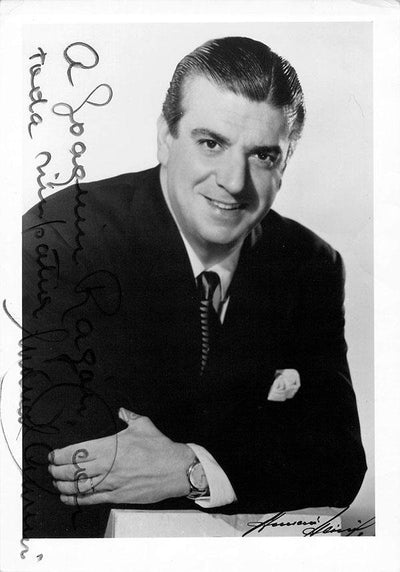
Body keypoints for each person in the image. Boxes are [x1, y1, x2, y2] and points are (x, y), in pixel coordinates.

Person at [22, 36, 367, 538]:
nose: (233, 181)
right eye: (212, 143)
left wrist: (190, 467)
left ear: (286, 162)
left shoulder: (309, 263)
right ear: (166, 137)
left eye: (263, 156)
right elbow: (62, 459)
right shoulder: (63, 237)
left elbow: (338, 462)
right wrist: (257, 447)